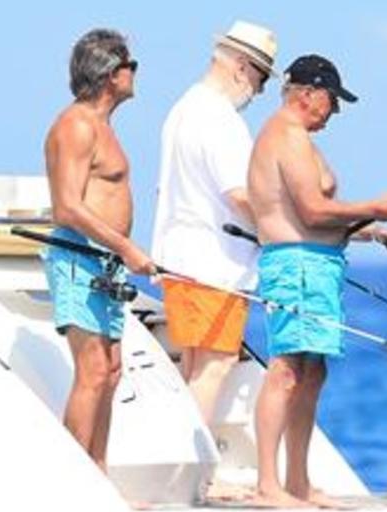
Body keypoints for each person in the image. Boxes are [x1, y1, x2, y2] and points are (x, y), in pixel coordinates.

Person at [248, 54, 387, 507]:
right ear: (307, 93)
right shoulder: (287, 136)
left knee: (312, 372)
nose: (334, 112)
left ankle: (298, 481)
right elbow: (313, 211)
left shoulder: (301, 139)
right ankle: (267, 485)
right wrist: (371, 207)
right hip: (295, 267)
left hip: (317, 263)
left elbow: (318, 222)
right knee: (286, 369)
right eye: (332, 101)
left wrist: (376, 233)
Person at [151, 20, 278, 426]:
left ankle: (190, 467)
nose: (258, 92)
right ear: (242, 66)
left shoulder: (184, 108)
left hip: (182, 260)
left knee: (194, 366)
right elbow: (240, 194)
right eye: (260, 80)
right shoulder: (220, 118)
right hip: (212, 266)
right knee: (215, 366)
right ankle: (198, 473)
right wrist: (281, 232)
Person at [42, 28, 156, 471]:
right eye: (131, 65)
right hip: (79, 260)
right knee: (91, 371)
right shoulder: (75, 126)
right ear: (111, 72)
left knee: (110, 371)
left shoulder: (103, 127)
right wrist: (126, 245)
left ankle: (98, 471)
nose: (134, 74)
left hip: (106, 264)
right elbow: (67, 207)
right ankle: (75, 481)